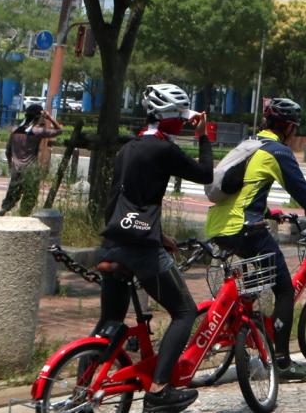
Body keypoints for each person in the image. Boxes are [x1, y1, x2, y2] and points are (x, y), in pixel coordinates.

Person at [93, 83, 213, 412]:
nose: (184, 123)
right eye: (181, 117)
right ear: (168, 117)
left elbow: (125, 203)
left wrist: (160, 236)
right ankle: (159, 390)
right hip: (141, 250)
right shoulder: (163, 149)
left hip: (111, 244)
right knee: (185, 312)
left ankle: (85, 384)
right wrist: (203, 136)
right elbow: (205, 174)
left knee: (109, 323)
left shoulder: (127, 148)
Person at [205, 97, 306, 382]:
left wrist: (266, 212)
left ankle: (248, 327)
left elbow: (244, 188)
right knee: (284, 289)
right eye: (294, 128)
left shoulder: (250, 145)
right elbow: (302, 192)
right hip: (246, 229)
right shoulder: (278, 151)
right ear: (288, 127)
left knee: (255, 283)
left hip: (219, 227)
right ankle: (283, 362)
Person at [0, 102, 62, 217]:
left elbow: (8, 151)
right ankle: (24, 215)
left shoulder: (15, 131)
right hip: (31, 169)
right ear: (39, 116)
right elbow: (59, 131)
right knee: (30, 195)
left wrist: (10, 165)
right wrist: (49, 117)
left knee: (12, 192)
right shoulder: (37, 131)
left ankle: (4, 208)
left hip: (16, 169)